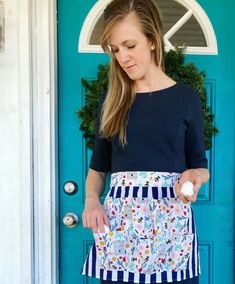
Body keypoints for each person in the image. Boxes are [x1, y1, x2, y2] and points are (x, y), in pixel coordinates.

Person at [81, 0, 210, 283]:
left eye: (130, 45)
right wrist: (92, 200)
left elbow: (201, 166)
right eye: (115, 50)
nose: (122, 57)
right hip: (121, 237)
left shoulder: (186, 99)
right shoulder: (111, 102)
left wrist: (194, 176)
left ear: (152, 41)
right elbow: (97, 170)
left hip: (171, 235)